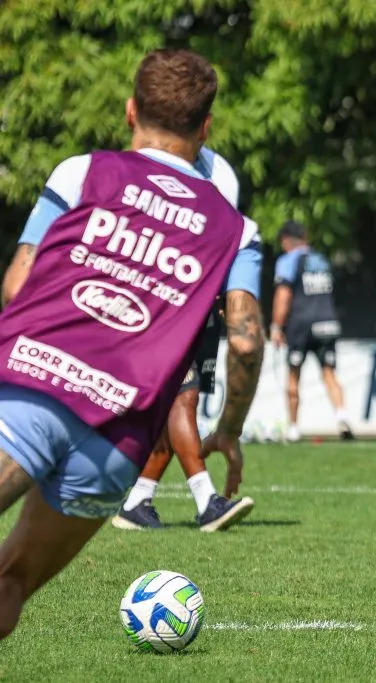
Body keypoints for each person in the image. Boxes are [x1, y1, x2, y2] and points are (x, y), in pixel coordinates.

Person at [0, 48, 264, 640]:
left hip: (33, 387)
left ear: (129, 112)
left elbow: (18, 283)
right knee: (8, 586)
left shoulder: (82, 173)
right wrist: (229, 429)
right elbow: (246, 342)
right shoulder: (235, 230)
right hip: (117, 443)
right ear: (206, 127)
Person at [111, 145, 257, 532]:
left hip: (198, 310)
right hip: (165, 312)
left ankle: (137, 502)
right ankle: (207, 500)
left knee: (175, 411)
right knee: (185, 397)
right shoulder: (150, 181)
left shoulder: (217, 175)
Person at [270, 220, 354, 442]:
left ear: (286, 241)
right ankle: (342, 417)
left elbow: (283, 295)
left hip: (301, 325)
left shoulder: (288, 260)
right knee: (329, 373)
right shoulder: (321, 260)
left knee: (293, 375)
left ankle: (294, 428)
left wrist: (277, 326)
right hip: (328, 322)